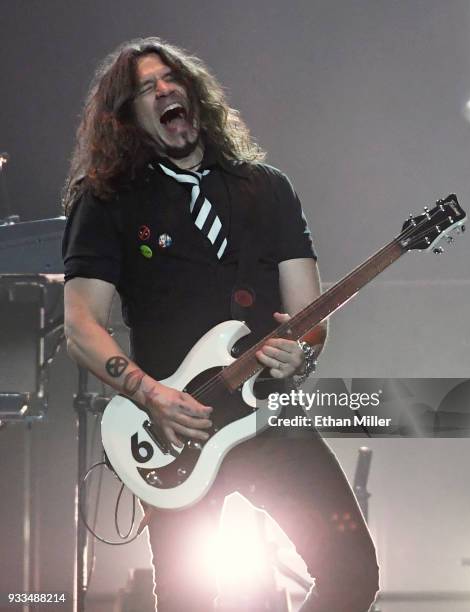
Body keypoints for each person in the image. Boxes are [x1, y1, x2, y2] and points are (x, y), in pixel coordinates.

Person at [62, 37, 378, 612]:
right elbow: (81, 322)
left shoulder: (268, 188)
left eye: (170, 78)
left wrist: (301, 353)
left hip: (268, 416)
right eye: (144, 89)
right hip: (178, 428)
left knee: (352, 576)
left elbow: (309, 315)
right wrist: (151, 395)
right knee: (186, 601)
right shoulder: (108, 201)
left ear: (194, 93)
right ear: (129, 118)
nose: (163, 90)